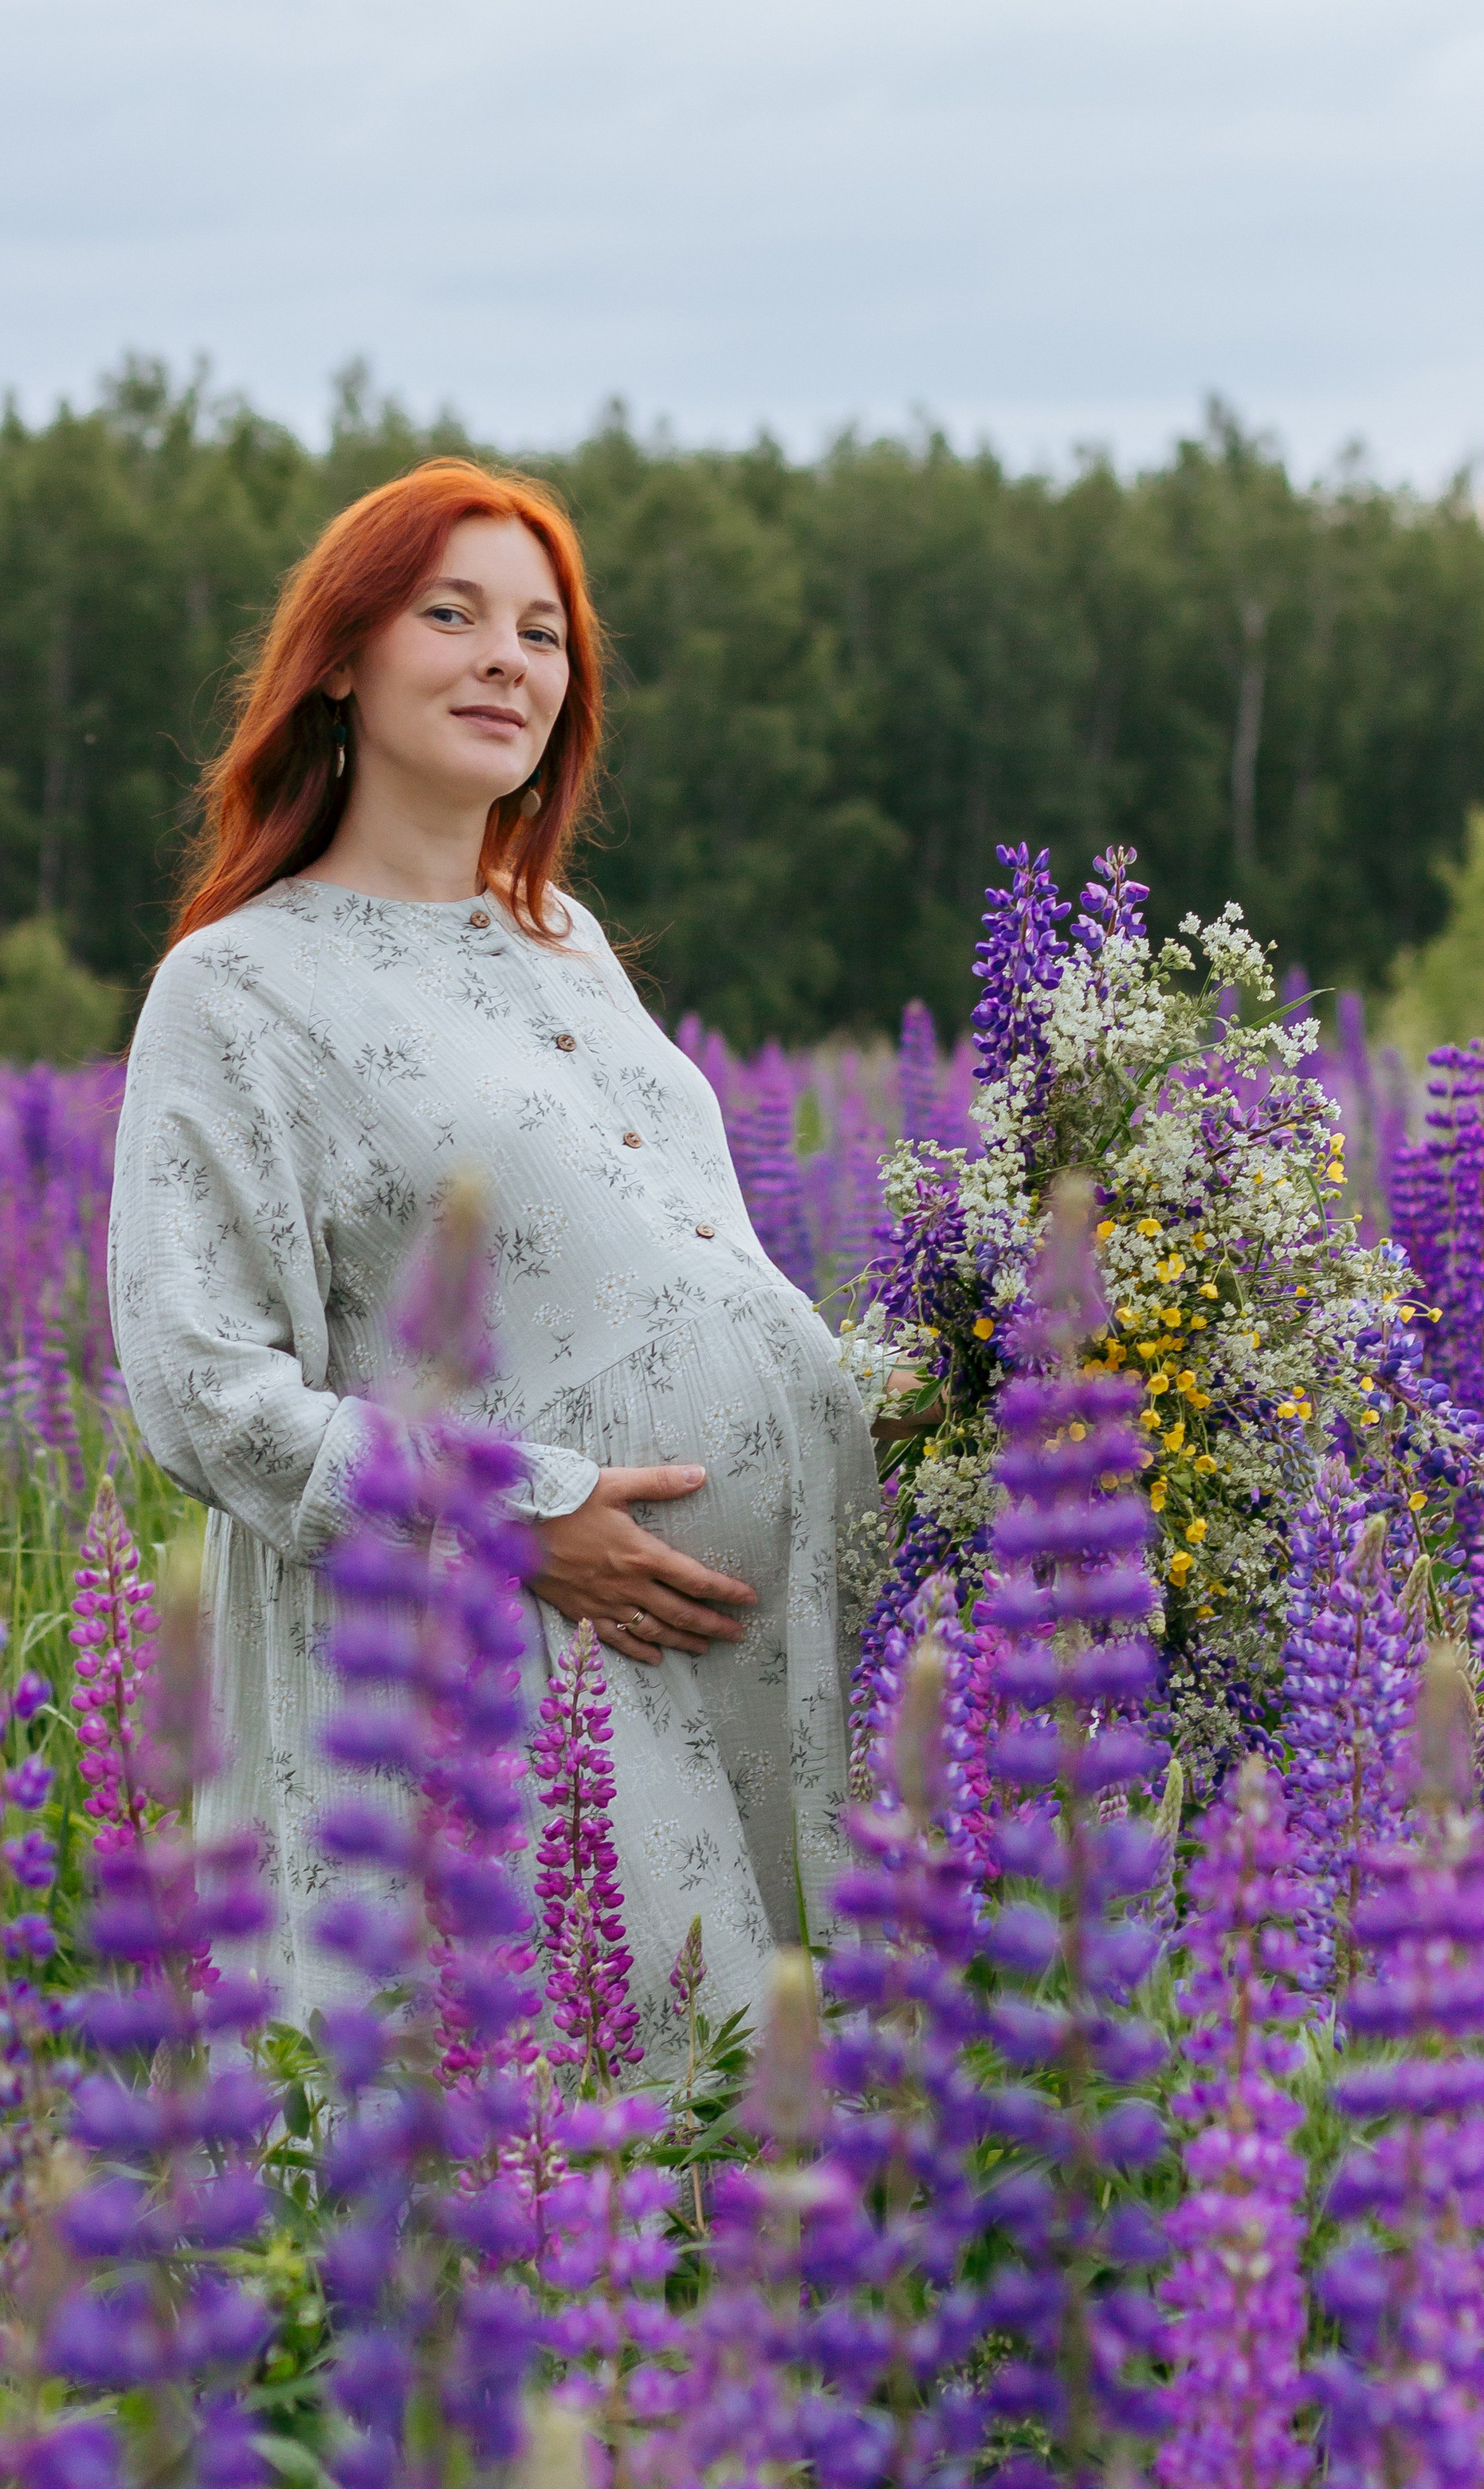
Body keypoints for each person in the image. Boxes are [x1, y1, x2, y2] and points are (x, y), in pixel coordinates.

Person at [108, 455, 924, 2047]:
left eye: (542, 633)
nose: (507, 660)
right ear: (339, 659)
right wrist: (518, 1520)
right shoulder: (239, 988)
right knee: (581, 2162)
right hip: (505, 1665)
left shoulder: (560, 943)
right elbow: (200, 1387)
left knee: (778, 2154)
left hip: (764, 1656)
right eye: (451, 613)